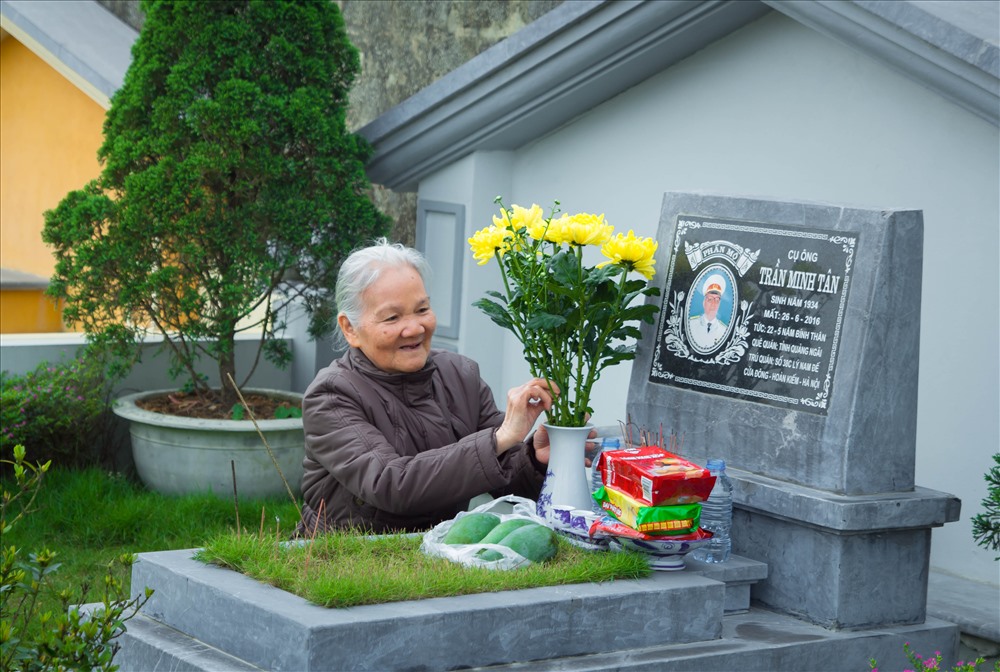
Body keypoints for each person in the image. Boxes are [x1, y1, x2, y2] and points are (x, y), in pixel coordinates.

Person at [296, 238, 572, 535]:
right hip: (348, 559)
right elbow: (390, 484)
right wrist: (500, 438)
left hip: (441, 551)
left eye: (422, 309)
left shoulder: (461, 375)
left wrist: (535, 457)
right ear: (350, 328)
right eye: (393, 317)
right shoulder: (331, 396)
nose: (415, 328)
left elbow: (505, 479)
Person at [688, 273, 729, 351]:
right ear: (704, 302)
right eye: (710, 299)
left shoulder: (723, 330)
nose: (713, 304)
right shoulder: (691, 323)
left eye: (717, 300)